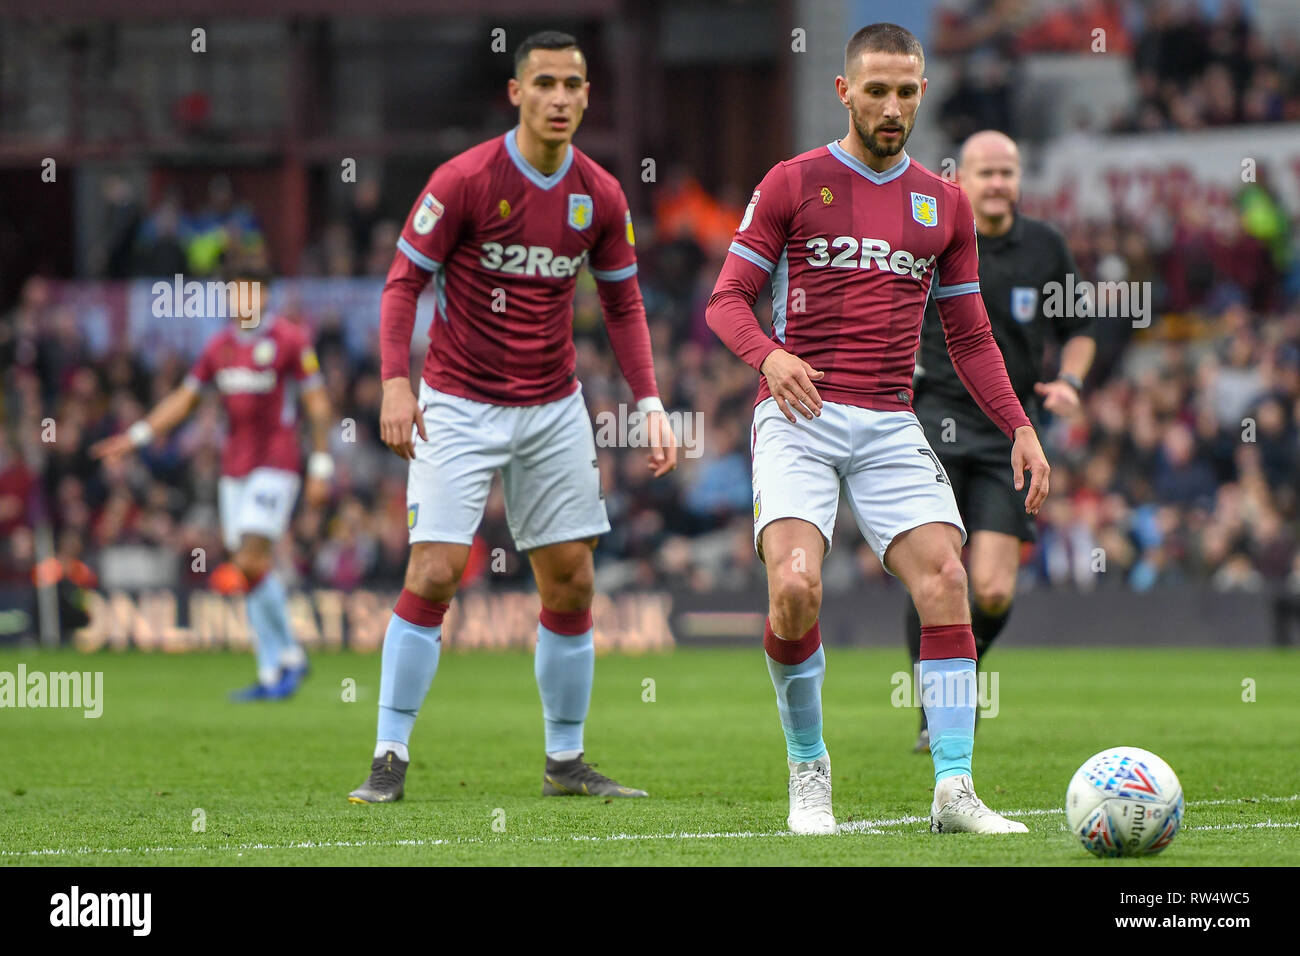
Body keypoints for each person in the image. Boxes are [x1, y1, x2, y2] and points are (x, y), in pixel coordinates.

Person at [706, 23, 1049, 835]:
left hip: (892, 418)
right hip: (800, 414)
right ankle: (808, 769)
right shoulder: (794, 182)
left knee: (948, 579)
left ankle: (955, 789)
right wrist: (769, 358)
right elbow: (725, 301)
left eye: (906, 92)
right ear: (844, 91)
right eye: (877, 90)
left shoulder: (944, 202)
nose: (892, 107)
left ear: (923, 94)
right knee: (794, 586)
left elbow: (968, 336)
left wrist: (1019, 427)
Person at [347, 30, 678, 804]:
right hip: (457, 404)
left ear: (588, 95)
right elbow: (403, 284)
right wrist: (396, 386)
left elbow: (623, 301)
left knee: (570, 580)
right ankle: (388, 754)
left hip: (553, 405)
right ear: (517, 94)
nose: (560, 97)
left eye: (574, 84)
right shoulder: (465, 178)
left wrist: (652, 403)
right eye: (546, 84)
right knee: (433, 572)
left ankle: (565, 763)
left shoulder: (600, 193)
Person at [906, 129, 1095, 752]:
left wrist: (1068, 379)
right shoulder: (932, 236)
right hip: (932, 420)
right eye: (985, 172)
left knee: (989, 589)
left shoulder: (1044, 247)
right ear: (960, 176)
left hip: (1008, 432)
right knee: (938, 571)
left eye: (1007, 172)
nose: (996, 183)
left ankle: (962, 665)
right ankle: (936, 707)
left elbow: (1080, 328)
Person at [91, 269, 334, 699]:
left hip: (277, 464)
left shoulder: (291, 340)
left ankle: (291, 658)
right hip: (234, 469)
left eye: (248, 291)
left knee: (251, 556)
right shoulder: (219, 348)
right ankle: (271, 671)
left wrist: (321, 464)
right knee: (247, 567)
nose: (240, 299)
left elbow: (317, 404)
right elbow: (185, 399)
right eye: (233, 292)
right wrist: (136, 437)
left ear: (263, 296)